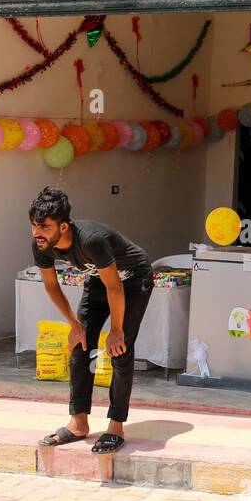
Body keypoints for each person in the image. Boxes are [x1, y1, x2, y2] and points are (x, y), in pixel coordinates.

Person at [30, 187, 152, 454]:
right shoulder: (41, 246)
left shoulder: (91, 240)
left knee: (120, 351)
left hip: (132, 280)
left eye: (44, 227)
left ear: (63, 227)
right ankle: (78, 422)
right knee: (79, 345)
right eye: (34, 226)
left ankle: (116, 426)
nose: (36, 233)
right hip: (100, 282)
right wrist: (74, 323)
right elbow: (52, 286)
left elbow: (116, 288)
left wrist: (117, 330)